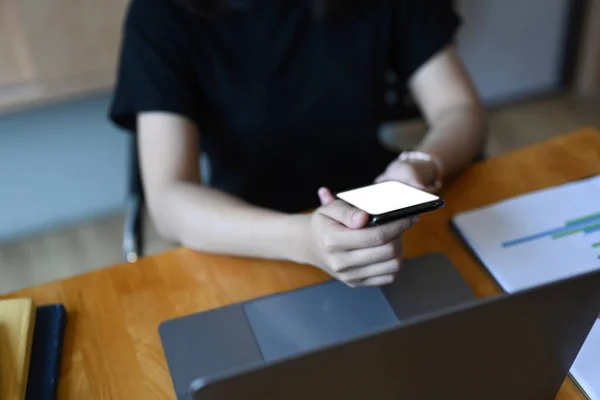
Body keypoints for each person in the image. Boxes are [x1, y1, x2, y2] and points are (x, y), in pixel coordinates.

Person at [109, 0, 487, 287]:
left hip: (386, 219)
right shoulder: (160, 14)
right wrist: (304, 238)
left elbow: (460, 108)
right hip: (248, 239)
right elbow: (169, 199)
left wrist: (419, 165)